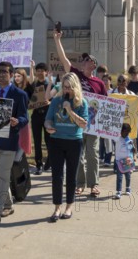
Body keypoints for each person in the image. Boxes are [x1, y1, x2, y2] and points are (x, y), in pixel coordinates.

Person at [53, 30, 106, 197]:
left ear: (94, 64)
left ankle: (93, 184)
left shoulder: (99, 83)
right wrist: (57, 40)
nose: (84, 61)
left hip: (93, 124)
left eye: (88, 60)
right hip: (75, 120)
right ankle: (80, 183)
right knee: (79, 155)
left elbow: (106, 104)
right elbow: (64, 59)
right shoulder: (76, 76)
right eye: (84, 60)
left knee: (93, 154)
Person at [0, 62, 29, 225]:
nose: (1, 74)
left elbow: (25, 117)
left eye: (5, 72)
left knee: (3, 176)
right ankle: (8, 204)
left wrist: (18, 121)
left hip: (10, 142)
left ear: (11, 75)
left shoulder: (19, 94)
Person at [44, 72, 88, 222]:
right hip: (56, 141)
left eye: (69, 87)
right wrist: (49, 127)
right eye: (64, 87)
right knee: (56, 176)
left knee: (71, 175)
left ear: (75, 87)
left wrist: (69, 110)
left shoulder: (82, 103)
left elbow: (83, 124)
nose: (67, 90)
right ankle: (57, 207)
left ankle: (69, 206)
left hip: (74, 142)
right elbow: (48, 120)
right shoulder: (56, 100)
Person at [29, 62, 52, 174]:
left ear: (46, 72)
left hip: (47, 116)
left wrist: (49, 103)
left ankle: (49, 162)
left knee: (48, 141)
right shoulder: (35, 84)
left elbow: (54, 100)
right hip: (36, 116)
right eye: (37, 71)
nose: (39, 73)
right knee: (37, 142)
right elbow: (31, 81)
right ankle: (39, 165)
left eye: (41, 71)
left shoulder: (49, 84)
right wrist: (31, 67)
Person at [114, 123, 135, 199]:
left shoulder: (129, 139)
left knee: (128, 176)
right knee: (119, 177)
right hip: (119, 161)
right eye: (124, 132)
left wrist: (134, 155)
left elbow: (132, 149)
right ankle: (118, 191)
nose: (126, 134)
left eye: (127, 132)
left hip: (127, 161)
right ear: (121, 131)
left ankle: (128, 187)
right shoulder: (117, 138)